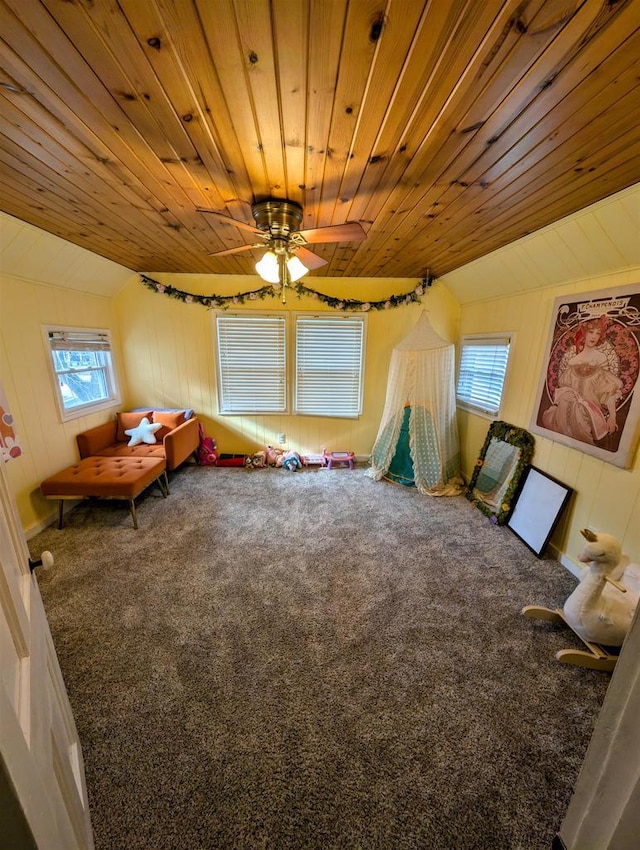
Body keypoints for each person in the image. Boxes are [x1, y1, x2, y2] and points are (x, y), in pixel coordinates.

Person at [542, 316, 623, 445]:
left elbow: (607, 391)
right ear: (584, 334)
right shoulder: (573, 361)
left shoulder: (600, 359)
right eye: (591, 332)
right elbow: (564, 389)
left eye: (598, 333)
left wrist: (612, 417)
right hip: (565, 410)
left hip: (587, 413)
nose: (594, 337)